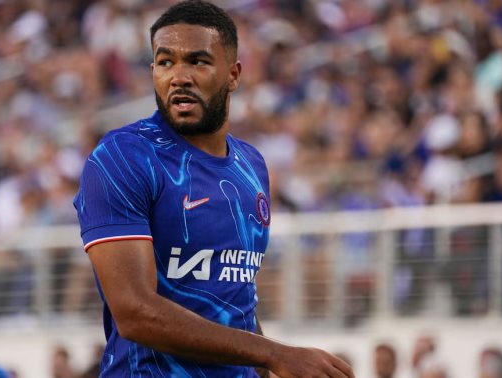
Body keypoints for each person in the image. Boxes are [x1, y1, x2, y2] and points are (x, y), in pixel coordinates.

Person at [73, 1, 355, 377]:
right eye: (165, 62)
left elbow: (239, 302)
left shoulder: (251, 166)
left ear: (234, 74)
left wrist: (268, 367)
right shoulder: (122, 158)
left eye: (198, 61)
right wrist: (276, 354)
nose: (179, 76)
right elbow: (135, 313)